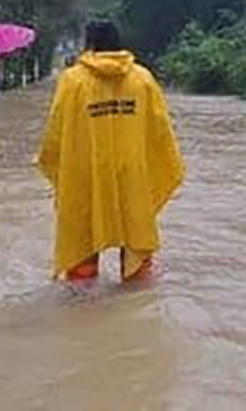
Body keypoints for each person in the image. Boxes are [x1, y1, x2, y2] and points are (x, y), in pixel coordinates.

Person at [38, 22, 185, 282]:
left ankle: (85, 314)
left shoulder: (72, 81)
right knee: (138, 262)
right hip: (133, 178)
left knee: (80, 267)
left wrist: (55, 167)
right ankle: (134, 308)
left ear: (90, 44)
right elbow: (161, 134)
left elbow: (56, 134)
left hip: (86, 176)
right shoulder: (143, 79)